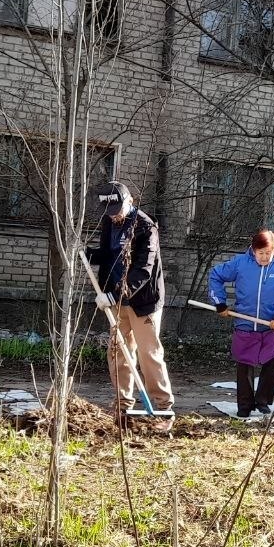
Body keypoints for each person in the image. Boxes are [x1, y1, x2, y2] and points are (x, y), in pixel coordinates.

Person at [87, 181, 174, 430]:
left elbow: (143, 271)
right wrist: (86, 253)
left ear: (130, 201)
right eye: (110, 212)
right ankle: (123, 404)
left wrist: (115, 294)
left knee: (149, 354)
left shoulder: (146, 227)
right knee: (118, 352)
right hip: (115, 300)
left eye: (118, 210)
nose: (115, 216)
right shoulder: (109, 221)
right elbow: (107, 254)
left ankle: (163, 407)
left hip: (142, 301)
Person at [209, 229, 274, 418]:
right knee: (244, 364)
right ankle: (245, 404)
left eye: (268, 253)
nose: (264, 257)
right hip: (245, 321)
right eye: (260, 253)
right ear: (253, 250)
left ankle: (263, 401)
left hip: (273, 324)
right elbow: (215, 275)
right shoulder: (241, 263)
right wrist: (220, 303)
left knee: (272, 362)